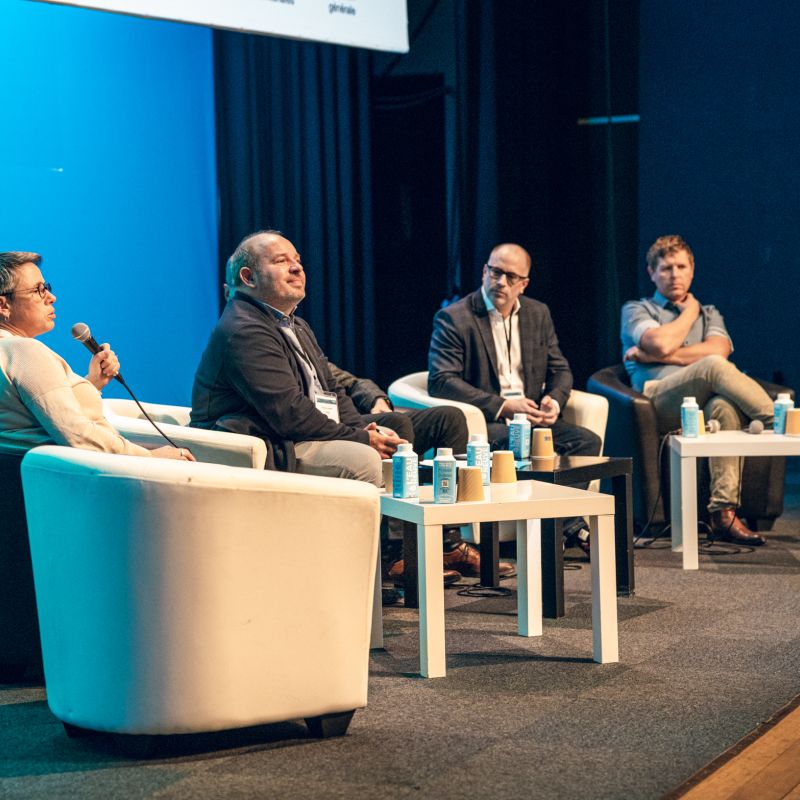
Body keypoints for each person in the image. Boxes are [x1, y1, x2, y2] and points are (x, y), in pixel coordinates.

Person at [206, 231, 511, 582]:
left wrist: (364, 428)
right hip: (276, 441)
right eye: (281, 261)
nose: (297, 268)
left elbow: (333, 392)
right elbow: (289, 413)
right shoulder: (244, 330)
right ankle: (392, 557)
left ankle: (446, 543)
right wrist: (361, 438)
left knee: (439, 420)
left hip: (305, 430)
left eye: (298, 261)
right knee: (375, 448)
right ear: (248, 277)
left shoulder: (294, 324)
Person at [428, 243, 602, 553]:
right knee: (515, 444)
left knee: (586, 442)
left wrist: (554, 401)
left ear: (524, 284)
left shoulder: (538, 313)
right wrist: (503, 406)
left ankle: (555, 528)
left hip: (533, 418)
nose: (501, 282)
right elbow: (441, 381)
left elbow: (560, 368)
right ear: (484, 271)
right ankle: (568, 528)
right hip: (491, 423)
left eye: (511, 277)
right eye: (495, 272)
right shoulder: (454, 317)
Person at [621, 235, 774, 545]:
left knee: (724, 408)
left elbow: (720, 349)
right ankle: (778, 421)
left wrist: (655, 355)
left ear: (692, 270)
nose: (674, 275)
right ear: (652, 272)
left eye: (681, 267)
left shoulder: (711, 313)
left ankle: (723, 514)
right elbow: (662, 343)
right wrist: (689, 311)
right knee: (712, 367)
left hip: (701, 404)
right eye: (666, 268)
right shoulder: (637, 309)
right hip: (658, 401)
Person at [0, 251, 193, 461]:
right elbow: (78, 436)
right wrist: (151, 457)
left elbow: (31, 423)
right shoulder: (23, 351)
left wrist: (93, 382)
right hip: (87, 474)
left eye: (47, 287)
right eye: (38, 290)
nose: (51, 297)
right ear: (3, 305)